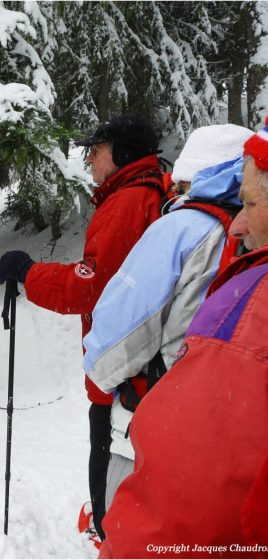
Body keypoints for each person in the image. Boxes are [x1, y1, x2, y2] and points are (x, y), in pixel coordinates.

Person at [99, 120, 268, 559]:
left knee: (122, 509)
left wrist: (101, 374)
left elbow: (121, 325)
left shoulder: (181, 227)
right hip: (215, 431)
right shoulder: (238, 232)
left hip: (154, 409)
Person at [0, 114, 166, 542]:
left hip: (122, 366)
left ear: (123, 153)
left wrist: (29, 273)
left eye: (98, 149)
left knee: (108, 447)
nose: (89, 158)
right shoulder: (143, 193)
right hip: (139, 361)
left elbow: (90, 286)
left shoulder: (128, 202)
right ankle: (115, 521)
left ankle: (110, 530)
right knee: (123, 449)